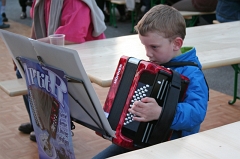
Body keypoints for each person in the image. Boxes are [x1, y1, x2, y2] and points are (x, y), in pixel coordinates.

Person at [93, 4, 209, 158]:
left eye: (154, 47)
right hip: (140, 140)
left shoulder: (192, 74)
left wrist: (161, 113)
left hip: (173, 147)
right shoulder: (155, 66)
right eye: (145, 46)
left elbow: (196, 114)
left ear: (177, 44)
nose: (148, 53)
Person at [17, 0, 106, 142]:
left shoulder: (75, 2)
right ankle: (38, 122)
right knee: (23, 68)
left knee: (50, 76)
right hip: (57, 50)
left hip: (82, 54)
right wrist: (23, 51)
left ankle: (54, 127)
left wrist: (31, 46)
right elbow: (36, 21)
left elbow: (72, 37)